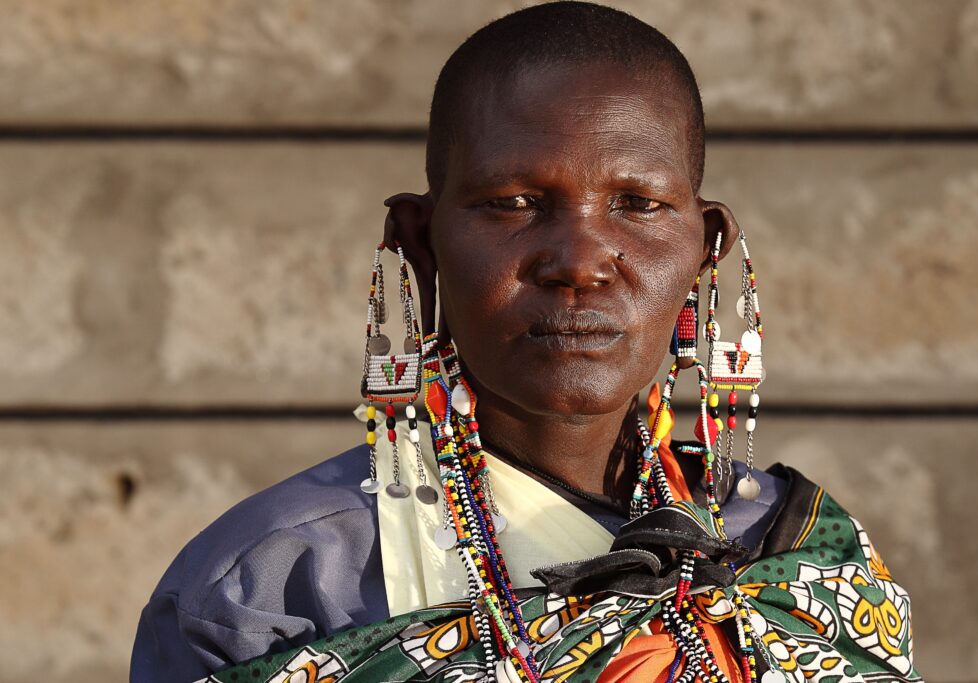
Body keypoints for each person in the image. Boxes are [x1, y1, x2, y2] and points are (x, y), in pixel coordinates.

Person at [131, 3, 920, 682]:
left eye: (638, 204)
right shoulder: (277, 584)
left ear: (704, 250)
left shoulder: (793, 556)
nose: (579, 260)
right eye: (513, 202)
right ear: (421, 243)